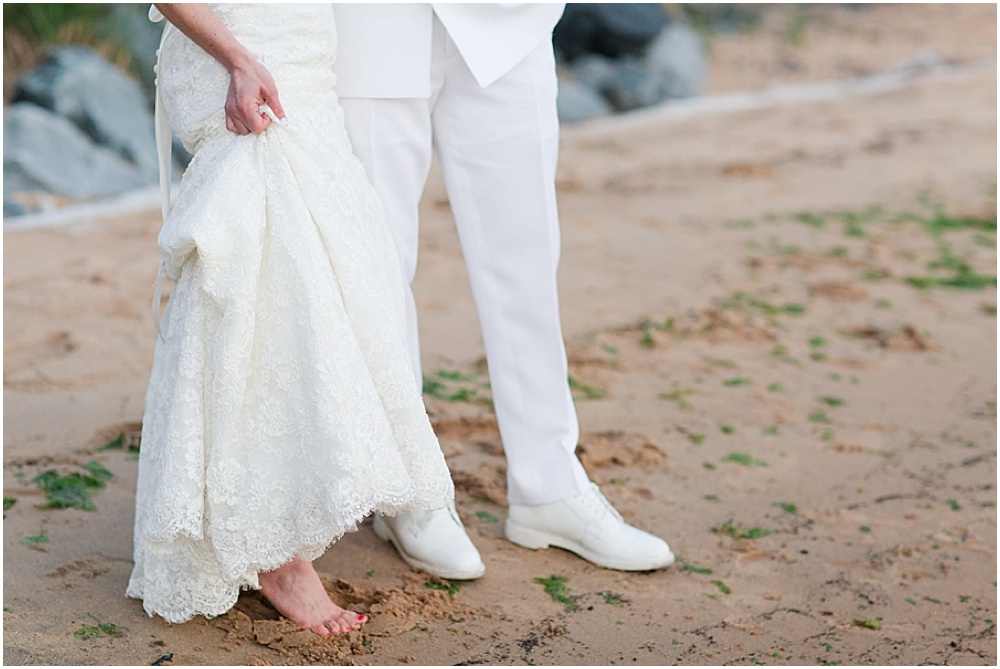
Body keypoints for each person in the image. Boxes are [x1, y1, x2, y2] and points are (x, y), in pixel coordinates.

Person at [127, 4, 456, 637]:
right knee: (263, 267)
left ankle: (272, 506)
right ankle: (278, 556)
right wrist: (238, 60)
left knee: (315, 272)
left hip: (302, 45)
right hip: (242, 47)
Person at [331, 3, 676, 577]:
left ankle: (549, 484)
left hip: (507, 20)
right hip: (372, 21)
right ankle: (407, 488)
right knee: (379, 266)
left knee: (528, 260)